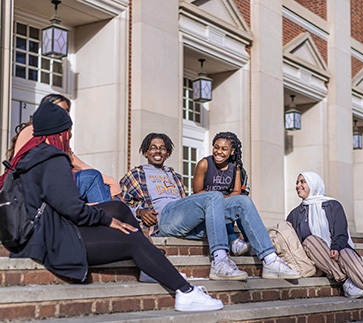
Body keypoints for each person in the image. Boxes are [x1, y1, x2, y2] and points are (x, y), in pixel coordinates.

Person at [0, 102, 222, 312]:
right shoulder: (54, 158)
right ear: (60, 132)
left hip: (41, 230)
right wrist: (106, 221)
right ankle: (185, 292)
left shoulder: (30, 156)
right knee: (131, 239)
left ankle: (149, 265)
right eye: (68, 131)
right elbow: (73, 209)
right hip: (50, 240)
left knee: (118, 207)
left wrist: (109, 216)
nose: (70, 136)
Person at [120, 133, 301, 281]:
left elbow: (187, 202)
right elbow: (120, 203)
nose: (158, 151)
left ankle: (270, 260)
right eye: (153, 147)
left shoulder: (174, 175)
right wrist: (140, 211)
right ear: (145, 151)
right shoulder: (136, 173)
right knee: (213, 195)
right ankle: (220, 260)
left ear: (167, 153)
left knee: (242, 201)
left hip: (183, 219)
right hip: (164, 219)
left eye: (162, 148)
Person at [287, 171, 363, 321]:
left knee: (346, 253)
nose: (298, 186)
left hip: (339, 253)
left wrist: (336, 247)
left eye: (302, 182)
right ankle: (345, 281)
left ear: (314, 184)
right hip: (318, 261)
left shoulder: (332, 205)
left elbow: (341, 232)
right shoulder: (295, 214)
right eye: (297, 182)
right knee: (310, 240)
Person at [8, 93, 120, 203]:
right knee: (93, 178)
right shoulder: (34, 131)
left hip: (53, 182)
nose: (65, 115)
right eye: (60, 110)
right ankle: (106, 219)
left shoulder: (56, 135)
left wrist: (109, 181)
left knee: (105, 188)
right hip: (40, 187)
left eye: (67, 111)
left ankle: (115, 216)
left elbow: (78, 164)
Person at [193, 131, 251, 256]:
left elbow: (237, 192)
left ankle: (249, 240)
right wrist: (221, 199)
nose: (219, 152)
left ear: (232, 151)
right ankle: (233, 243)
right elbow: (197, 192)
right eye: (216, 147)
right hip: (206, 205)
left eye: (224, 149)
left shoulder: (236, 167)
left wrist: (225, 199)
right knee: (221, 207)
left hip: (226, 201)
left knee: (240, 205)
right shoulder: (204, 164)